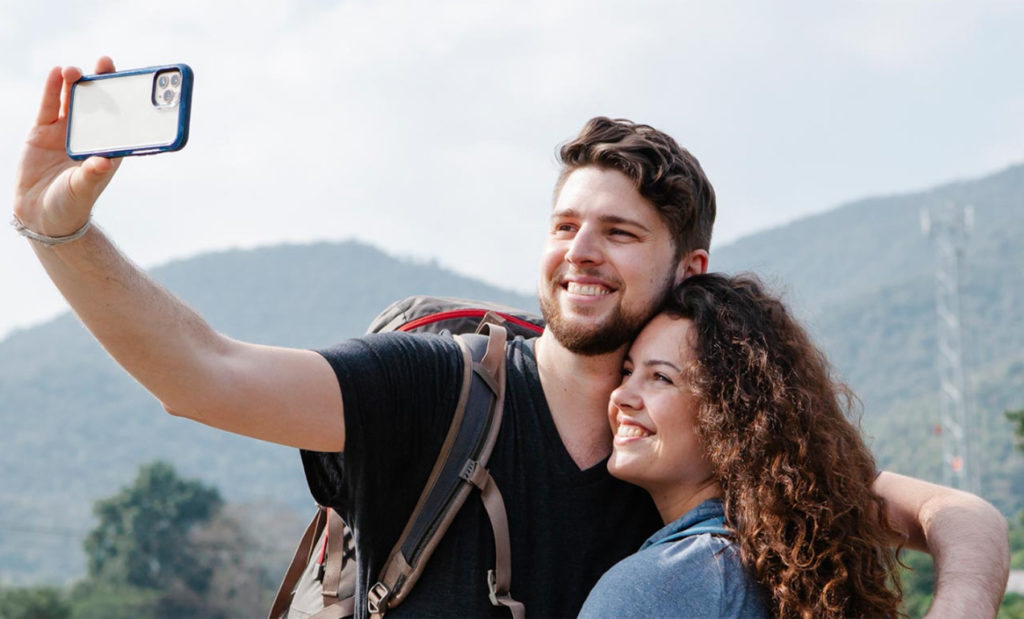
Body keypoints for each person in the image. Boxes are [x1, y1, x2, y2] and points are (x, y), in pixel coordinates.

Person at [12, 57, 1009, 617]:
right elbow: (201, 372)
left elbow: (961, 518)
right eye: (565, 225)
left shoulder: (689, 449)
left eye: (619, 233)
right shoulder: (434, 390)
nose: (581, 252)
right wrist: (57, 229)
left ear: (685, 271)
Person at [580, 273, 904, 618]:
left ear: (730, 415)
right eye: (627, 372)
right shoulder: (786, 569)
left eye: (660, 377)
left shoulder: (656, 585)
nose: (621, 396)